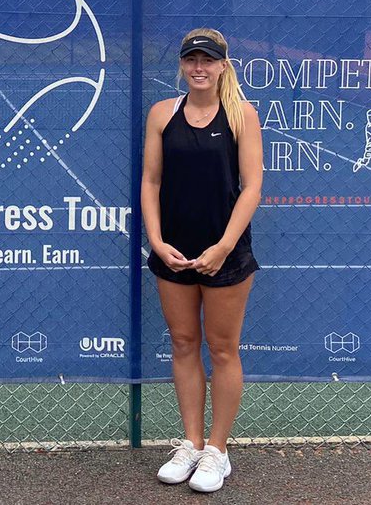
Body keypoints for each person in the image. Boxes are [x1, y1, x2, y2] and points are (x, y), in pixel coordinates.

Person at [141, 29, 262, 494]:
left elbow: (251, 186)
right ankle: (190, 444)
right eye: (191, 58)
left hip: (225, 254)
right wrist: (156, 240)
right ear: (182, 64)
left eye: (208, 60)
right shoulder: (161, 114)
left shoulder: (241, 115)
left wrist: (224, 247)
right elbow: (151, 182)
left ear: (223, 66)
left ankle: (217, 451)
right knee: (185, 344)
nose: (199, 67)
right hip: (173, 251)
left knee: (224, 349)